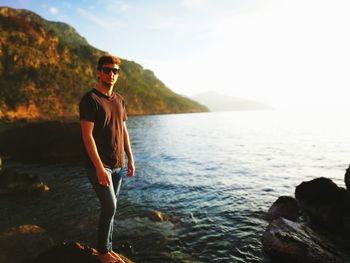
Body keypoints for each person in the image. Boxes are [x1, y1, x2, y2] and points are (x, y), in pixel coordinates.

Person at [79, 54, 135, 263]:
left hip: (119, 165)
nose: (111, 74)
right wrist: (99, 168)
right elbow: (87, 136)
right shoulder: (90, 99)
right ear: (99, 72)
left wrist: (130, 158)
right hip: (100, 166)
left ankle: (107, 248)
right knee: (109, 207)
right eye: (107, 70)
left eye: (115, 71)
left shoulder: (119, 100)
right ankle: (103, 252)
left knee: (111, 209)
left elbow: (124, 131)